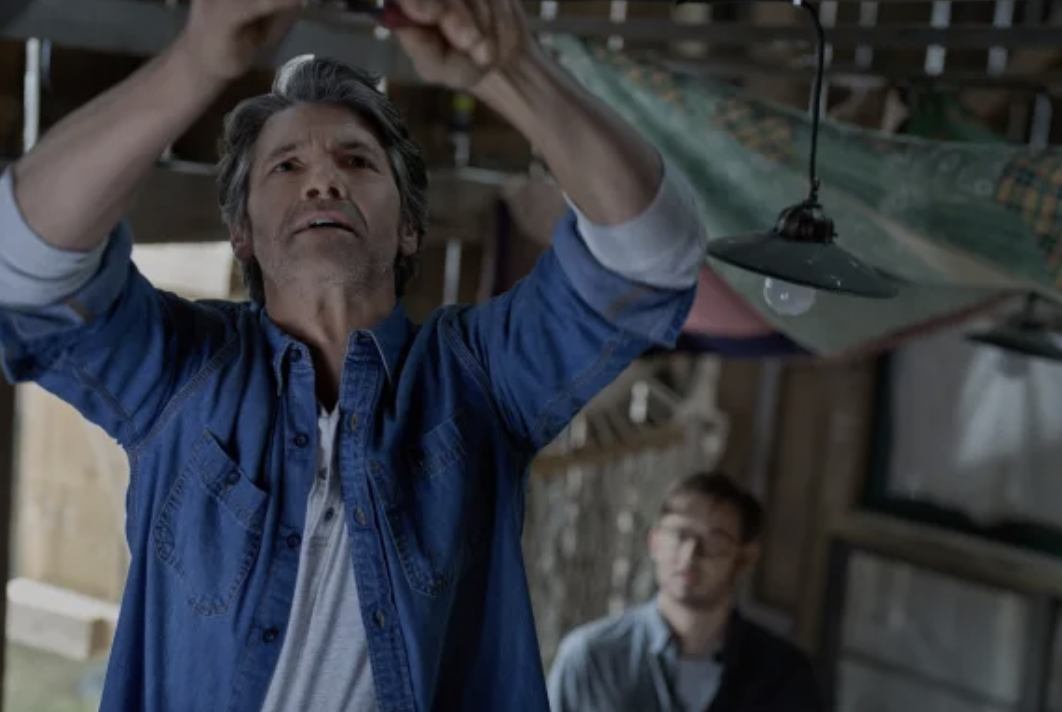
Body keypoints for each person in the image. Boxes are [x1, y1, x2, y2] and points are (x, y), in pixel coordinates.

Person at [0, 0, 708, 710]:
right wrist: (195, 65)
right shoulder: (184, 373)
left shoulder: (480, 380)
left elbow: (651, 259)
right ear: (241, 233)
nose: (322, 180)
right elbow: (22, 267)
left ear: (407, 229)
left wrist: (509, 70)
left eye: (356, 160)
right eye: (286, 165)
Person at [548, 472, 823, 712]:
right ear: (655, 542)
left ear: (744, 559)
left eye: (714, 541)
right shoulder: (591, 659)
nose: (690, 555)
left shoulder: (784, 675)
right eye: (679, 535)